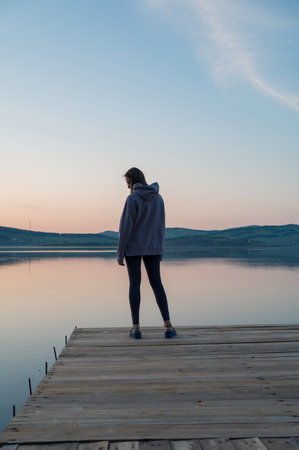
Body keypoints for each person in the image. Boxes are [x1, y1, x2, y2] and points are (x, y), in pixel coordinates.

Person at [117, 167, 176, 340]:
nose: (127, 185)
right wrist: (160, 248)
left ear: (133, 180)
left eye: (128, 182)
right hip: (153, 247)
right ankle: (168, 327)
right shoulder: (158, 198)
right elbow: (161, 226)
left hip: (134, 248)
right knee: (157, 284)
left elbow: (125, 228)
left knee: (135, 283)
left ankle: (136, 329)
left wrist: (120, 254)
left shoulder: (132, 198)